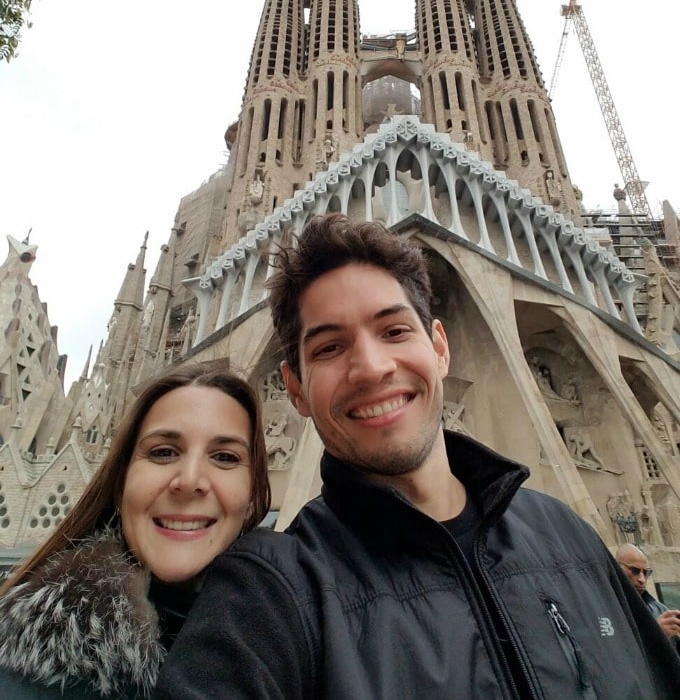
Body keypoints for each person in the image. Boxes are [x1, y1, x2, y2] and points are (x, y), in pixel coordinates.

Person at [154, 214, 680, 699]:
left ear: (440, 347)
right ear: (294, 388)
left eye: (394, 330)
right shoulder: (272, 598)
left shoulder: (568, 537)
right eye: (329, 348)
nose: (372, 367)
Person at [0, 360, 270, 699]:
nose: (189, 481)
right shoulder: (18, 674)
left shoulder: (290, 655)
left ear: (252, 497)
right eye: (163, 452)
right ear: (121, 484)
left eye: (225, 457)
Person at [616, 543, 680, 648]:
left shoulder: (660, 610)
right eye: (634, 571)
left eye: (646, 573)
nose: (642, 579)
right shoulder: (604, 609)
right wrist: (655, 635)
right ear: (617, 569)